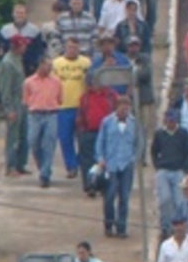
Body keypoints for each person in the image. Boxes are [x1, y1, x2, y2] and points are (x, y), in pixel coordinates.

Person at [96, 96, 137, 238]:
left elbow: (139, 143)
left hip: (126, 164)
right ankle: (108, 223)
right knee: (110, 195)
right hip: (111, 164)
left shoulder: (134, 123)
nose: (125, 110)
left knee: (124, 197)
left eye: (127, 107)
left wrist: (134, 158)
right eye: (122, 107)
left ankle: (121, 227)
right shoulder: (107, 122)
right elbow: (100, 142)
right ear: (117, 107)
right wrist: (101, 159)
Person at [152, 109, 188, 238]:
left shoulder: (183, 133)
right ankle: (165, 226)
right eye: (169, 121)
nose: (171, 123)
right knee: (164, 199)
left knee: (179, 200)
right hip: (163, 170)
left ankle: (179, 226)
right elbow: (154, 151)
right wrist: (158, 166)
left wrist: (185, 168)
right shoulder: (159, 134)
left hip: (178, 170)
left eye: (174, 121)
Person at [53, 38, 90, 181]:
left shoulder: (86, 63)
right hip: (63, 107)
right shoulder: (57, 63)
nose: (72, 50)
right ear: (65, 48)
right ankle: (71, 166)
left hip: (81, 107)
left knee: (84, 139)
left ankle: (80, 162)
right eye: (69, 47)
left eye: (75, 47)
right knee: (65, 138)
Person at [23, 56, 63, 188]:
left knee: (49, 144)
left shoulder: (56, 82)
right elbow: (25, 99)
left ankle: (45, 174)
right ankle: (42, 166)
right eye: (47, 65)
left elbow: (60, 98)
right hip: (35, 114)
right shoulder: (29, 82)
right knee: (33, 141)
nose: (49, 68)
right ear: (40, 65)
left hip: (51, 114)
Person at [77, 74, 118, 197]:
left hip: (107, 133)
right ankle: (90, 185)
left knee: (106, 161)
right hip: (89, 132)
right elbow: (81, 114)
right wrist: (82, 131)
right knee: (87, 162)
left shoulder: (111, 96)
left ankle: (105, 185)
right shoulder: (85, 98)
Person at [0, 34, 30, 177]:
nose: (25, 48)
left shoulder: (18, 59)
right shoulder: (7, 63)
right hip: (14, 101)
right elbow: (5, 89)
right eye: (23, 45)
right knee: (13, 136)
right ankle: (10, 166)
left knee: (24, 134)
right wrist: (8, 109)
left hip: (23, 100)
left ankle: (20, 164)